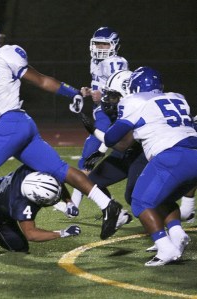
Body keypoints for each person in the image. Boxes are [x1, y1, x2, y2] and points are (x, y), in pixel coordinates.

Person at [0, 19, 125, 243]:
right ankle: (109, 205)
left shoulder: (7, 55)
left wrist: (72, 93)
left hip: (11, 122)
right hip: (20, 127)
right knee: (60, 170)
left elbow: (41, 80)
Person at [85, 66, 197, 266]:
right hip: (193, 152)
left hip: (170, 155)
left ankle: (165, 248)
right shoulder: (176, 97)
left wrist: (98, 131)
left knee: (139, 201)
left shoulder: (134, 101)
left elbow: (112, 138)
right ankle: (177, 234)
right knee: (165, 197)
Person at [68, 27, 129, 212]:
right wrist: (89, 91)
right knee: (89, 155)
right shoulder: (95, 61)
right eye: (97, 43)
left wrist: (102, 95)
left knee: (90, 152)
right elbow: (99, 84)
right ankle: (76, 204)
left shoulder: (116, 62)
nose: (100, 47)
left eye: (105, 43)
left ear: (114, 45)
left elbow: (121, 90)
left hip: (112, 113)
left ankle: (74, 204)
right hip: (101, 110)